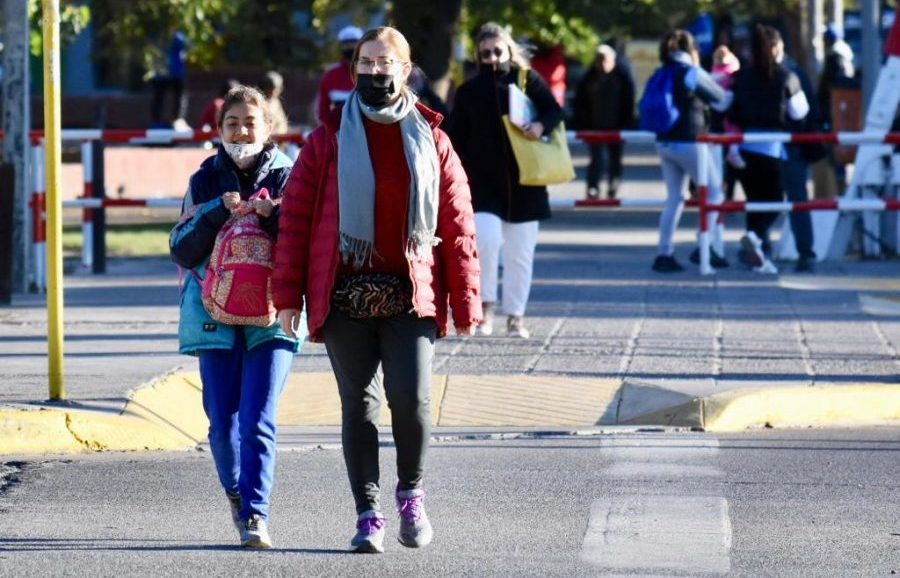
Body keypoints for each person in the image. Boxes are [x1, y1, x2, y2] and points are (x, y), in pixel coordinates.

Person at [271, 26, 482, 554]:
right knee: (358, 406)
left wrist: (466, 300)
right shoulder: (326, 140)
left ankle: (410, 491)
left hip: (411, 291)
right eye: (365, 63)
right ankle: (368, 514)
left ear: (406, 70)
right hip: (343, 293)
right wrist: (286, 299)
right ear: (354, 69)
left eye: (385, 63)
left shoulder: (433, 139)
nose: (374, 71)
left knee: (411, 401)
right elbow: (295, 221)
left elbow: (457, 224)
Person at [169, 85, 301, 549]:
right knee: (222, 421)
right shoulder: (204, 180)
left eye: (251, 122)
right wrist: (212, 215)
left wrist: (271, 217)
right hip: (214, 312)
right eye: (232, 123)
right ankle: (235, 491)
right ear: (219, 128)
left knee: (258, 419)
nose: (242, 130)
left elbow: (306, 243)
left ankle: (255, 514)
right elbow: (181, 249)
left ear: (269, 128)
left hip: (272, 312)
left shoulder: (291, 176)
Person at [446, 22, 564, 338]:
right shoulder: (468, 91)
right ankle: (485, 308)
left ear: (509, 50)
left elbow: (554, 110)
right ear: (478, 55)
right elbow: (454, 136)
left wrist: (540, 125)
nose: (493, 57)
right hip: (482, 184)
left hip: (526, 182)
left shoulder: (527, 81)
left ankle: (516, 315)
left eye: (498, 50)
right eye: (486, 53)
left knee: (520, 252)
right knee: (485, 241)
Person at [648, 29, 731, 273]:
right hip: (689, 142)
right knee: (715, 194)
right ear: (693, 50)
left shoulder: (661, 72)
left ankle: (664, 253)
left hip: (663, 142)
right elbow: (721, 100)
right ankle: (703, 247)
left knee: (674, 197)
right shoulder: (691, 73)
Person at [729, 24, 809, 273]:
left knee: (754, 201)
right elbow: (800, 111)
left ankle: (756, 250)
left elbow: (729, 106)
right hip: (774, 146)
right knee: (774, 201)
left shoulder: (741, 77)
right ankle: (757, 239)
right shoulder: (787, 76)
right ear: (775, 47)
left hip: (743, 147)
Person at [573, 43, 635, 199]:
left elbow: (628, 102)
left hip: (616, 126)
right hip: (594, 126)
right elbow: (580, 103)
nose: (602, 63)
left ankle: (613, 186)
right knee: (596, 158)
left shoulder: (622, 78)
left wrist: (626, 122)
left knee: (615, 158)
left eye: (606, 60)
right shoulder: (588, 79)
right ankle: (593, 187)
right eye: (599, 60)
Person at [316, 25, 363, 124]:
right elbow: (322, 111)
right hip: (339, 131)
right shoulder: (330, 75)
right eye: (346, 45)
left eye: (354, 44)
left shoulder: (372, 71)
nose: (350, 48)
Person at [151, 29, 190, 129]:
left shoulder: (177, 36)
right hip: (164, 72)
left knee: (178, 96)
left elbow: (186, 44)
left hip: (174, 71)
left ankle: (177, 119)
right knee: (160, 98)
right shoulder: (162, 36)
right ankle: (157, 121)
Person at [260, 70, 289, 136]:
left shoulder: (276, 102)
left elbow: (282, 122)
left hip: (277, 138)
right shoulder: (258, 102)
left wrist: (280, 132)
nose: (278, 91)